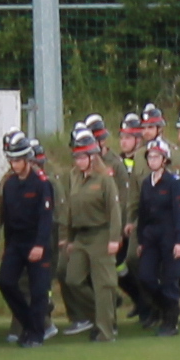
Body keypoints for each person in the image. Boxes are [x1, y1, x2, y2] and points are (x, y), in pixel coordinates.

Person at [57, 121, 127, 340]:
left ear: (92, 156)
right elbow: (70, 209)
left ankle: (106, 330)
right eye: (76, 157)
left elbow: (114, 209)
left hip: (101, 233)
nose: (78, 161)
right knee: (73, 279)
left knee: (103, 283)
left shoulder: (105, 178)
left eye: (82, 157)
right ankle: (102, 313)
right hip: (81, 236)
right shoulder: (74, 177)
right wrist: (69, 238)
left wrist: (114, 238)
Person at [0, 130, 59, 345]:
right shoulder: (10, 185)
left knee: (39, 291)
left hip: (37, 242)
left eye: (17, 160)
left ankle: (36, 336)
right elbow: (8, 218)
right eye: (11, 160)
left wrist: (40, 245)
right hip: (16, 243)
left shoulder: (42, 183)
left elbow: (46, 217)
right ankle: (30, 324)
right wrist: (7, 246)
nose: (14, 164)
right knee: (5, 282)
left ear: (27, 159)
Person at [132, 137, 180, 335]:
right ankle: (166, 308)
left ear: (165, 159)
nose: (152, 160)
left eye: (156, 157)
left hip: (170, 236)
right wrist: (141, 240)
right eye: (150, 157)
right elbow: (143, 214)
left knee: (170, 280)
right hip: (151, 237)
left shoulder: (174, 182)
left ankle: (171, 322)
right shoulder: (146, 183)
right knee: (146, 277)